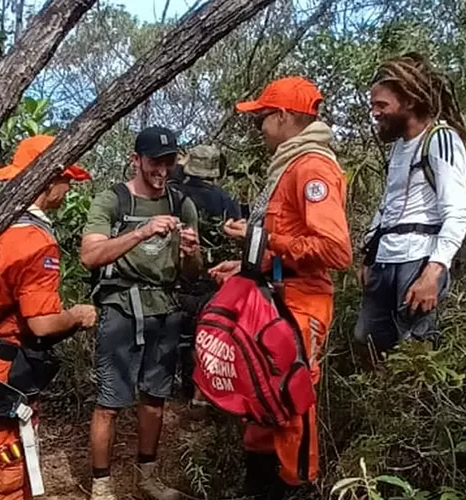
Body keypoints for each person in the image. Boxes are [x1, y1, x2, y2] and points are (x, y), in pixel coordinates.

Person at [210, 77, 352, 498]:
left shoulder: (312, 167)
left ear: (285, 116)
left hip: (301, 301)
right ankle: (259, 485)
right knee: (259, 391)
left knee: (292, 396)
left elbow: (334, 249)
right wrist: (247, 264)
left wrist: (267, 245)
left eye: (263, 118)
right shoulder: (288, 165)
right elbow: (287, 244)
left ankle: (296, 486)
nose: (260, 129)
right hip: (273, 297)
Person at [0, 134, 98, 500]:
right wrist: (78, 315)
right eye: (66, 182)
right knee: (2, 469)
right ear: (49, 181)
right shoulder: (34, 240)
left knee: (8, 457)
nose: (68, 192)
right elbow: (42, 324)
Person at [80, 126, 203, 500]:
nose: (162, 171)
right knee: (111, 401)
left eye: (168, 162)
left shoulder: (182, 204)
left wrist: (191, 252)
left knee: (154, 400)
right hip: (122, 309)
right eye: (155, 162)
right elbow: (90, 255)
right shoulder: (113, 200)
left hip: (165, 309)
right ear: (136, 160)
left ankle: (147, 477)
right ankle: (102, 484)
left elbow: (193, 274)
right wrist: (142, 232)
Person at [355, 52, 466, 365]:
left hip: (418, 257)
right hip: (386, 259)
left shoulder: (442, 140)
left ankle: (417, 409)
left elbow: (457, 213)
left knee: (415, 351)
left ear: (409, 101)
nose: (375, 113)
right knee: (367, 337)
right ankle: (381, 404)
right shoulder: (399, 146)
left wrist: (432, 273)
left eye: (381, 105)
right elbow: (389, 203)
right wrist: (370, 254)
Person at [169, 145, 241, 402]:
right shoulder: (226, 200)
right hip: (213, 275)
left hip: (178, 275)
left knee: (175, 333)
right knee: (205, 334)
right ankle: (199, 394)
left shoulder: (174, 194)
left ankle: (173, 389)